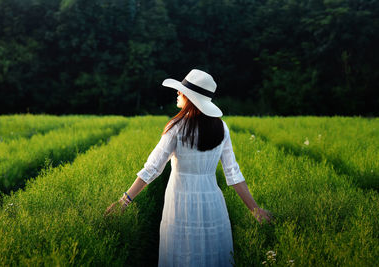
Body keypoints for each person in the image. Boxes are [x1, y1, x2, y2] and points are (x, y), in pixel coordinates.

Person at [104, 69, 275, 266]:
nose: (177, 93)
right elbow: (233, 173)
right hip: (212, 203)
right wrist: (255, 209)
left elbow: (152, 168)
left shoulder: (176, 127)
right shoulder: (221, 127)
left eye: (181, 91)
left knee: (182, 256)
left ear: (190, 98)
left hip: (180, 203)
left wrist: (124, 201)